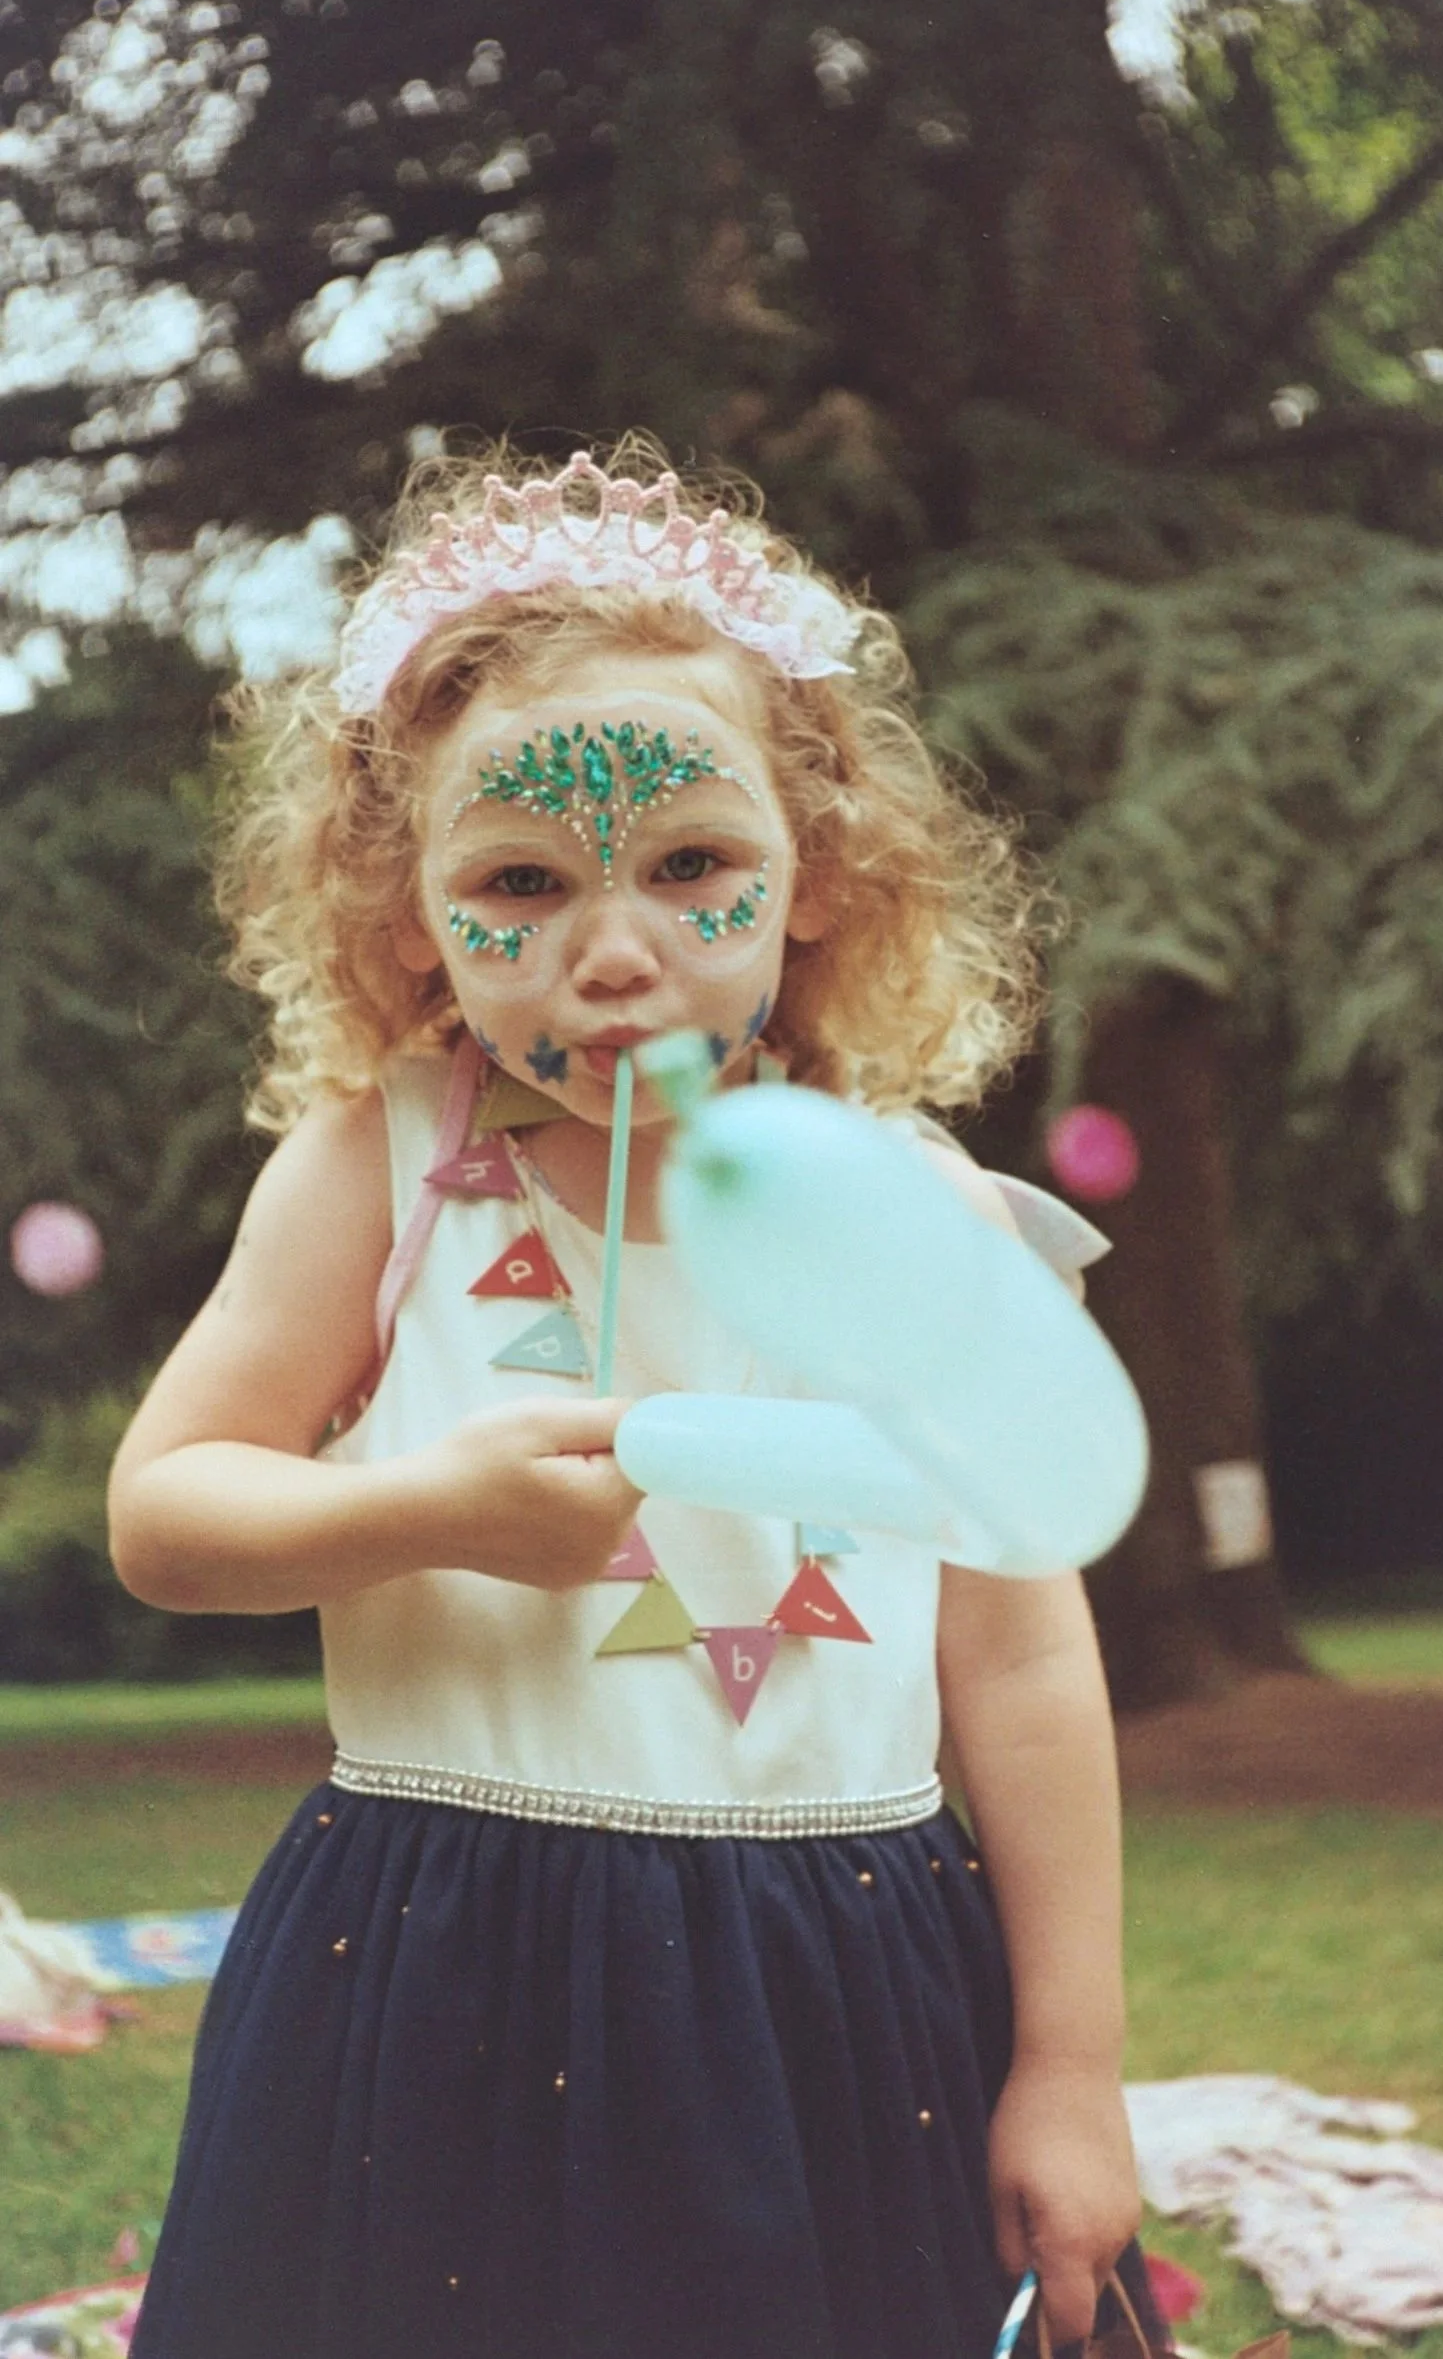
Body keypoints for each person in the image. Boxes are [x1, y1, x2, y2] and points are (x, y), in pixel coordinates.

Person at [110, 445, 1167, 2359]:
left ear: (820, 872)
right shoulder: (382, 1173)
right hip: (445, 1966)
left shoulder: (917, 1208)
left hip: (842, 1986)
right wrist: (424, 1509)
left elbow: (1017, 1657)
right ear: (407, 910)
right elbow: (169, 1513)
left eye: (692, 866)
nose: (614, 950)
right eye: (519, 883)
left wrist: (1071, 2067)